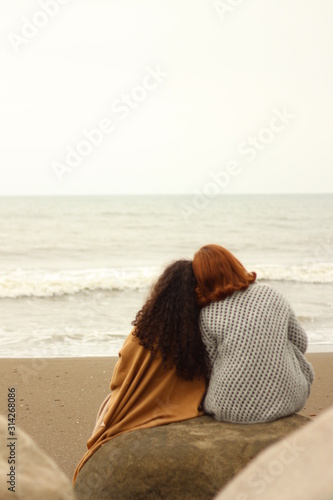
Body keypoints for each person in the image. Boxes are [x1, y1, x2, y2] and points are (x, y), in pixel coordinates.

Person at [73, 259, 208, 483]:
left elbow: (119, 379)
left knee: (108, 404)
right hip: (179, 405)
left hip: (137, 404)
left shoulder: (142, 330)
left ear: (162, 290)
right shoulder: (198, 329)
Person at [192, 244, 314, 424]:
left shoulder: (207, 313)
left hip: (227, 408)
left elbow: (208, 365)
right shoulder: (271, 294)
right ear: (235, 264)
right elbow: (300, 342)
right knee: (293, 353)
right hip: (288, 401)